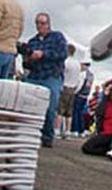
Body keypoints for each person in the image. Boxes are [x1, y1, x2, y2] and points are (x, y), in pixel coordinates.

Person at [23, 12, 68, 147]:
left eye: (42, 23)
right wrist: (28, 58)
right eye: (37, 23)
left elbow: (62, 54)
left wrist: (43, 54)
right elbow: (26, 65)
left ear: (48, 24)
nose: (39, 26)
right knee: (25, 104)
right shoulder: (32, 42)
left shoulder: (57, 37)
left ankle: (47, 137)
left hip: (51, 76)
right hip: (35, 76)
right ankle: (28, 134)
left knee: (50, 108)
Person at [59, 44, 82, 138]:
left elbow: (61, 74)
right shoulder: (77, 64)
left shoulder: (65, 62)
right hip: (73, 89)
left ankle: (57, 130)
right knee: (69, 112)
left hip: (64, 86)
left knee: (60, 111)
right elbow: (79, 79)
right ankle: (67, 131)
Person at [71, 61, 94, 136]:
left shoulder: (82, 74)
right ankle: (82, 129)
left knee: (76, 112)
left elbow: (79, 85)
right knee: (81, 113)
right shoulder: (91, 75)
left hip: (79, 94)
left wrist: (75, 92)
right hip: (85, 95)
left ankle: (75, 129)